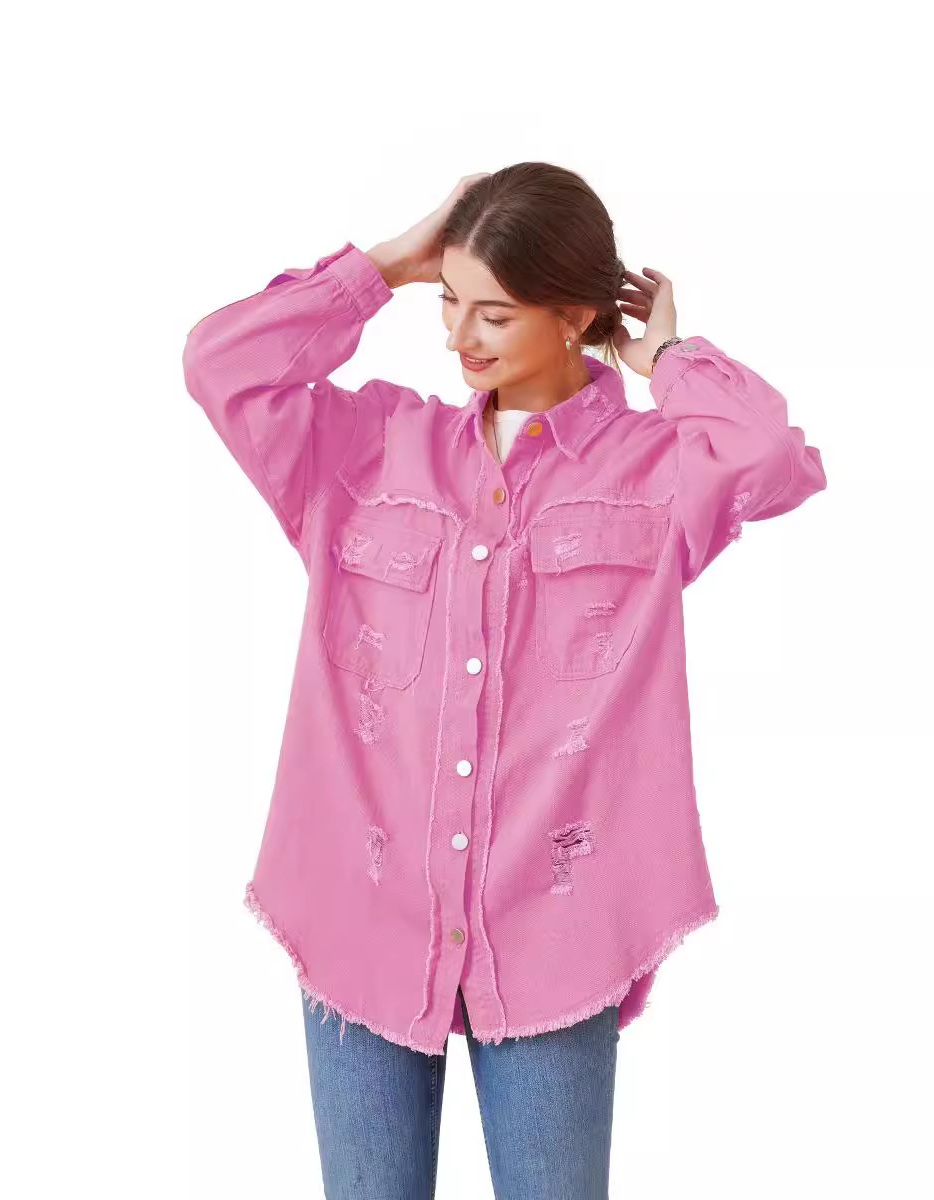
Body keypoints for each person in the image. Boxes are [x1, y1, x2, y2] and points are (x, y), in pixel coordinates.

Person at [182, 163, 827, 1199]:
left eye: (494, 313)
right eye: (448, 302)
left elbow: (772, 458)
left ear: (574, 316)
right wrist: (386, 264)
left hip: (554, 928)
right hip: (362, 912)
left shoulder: (654, 470)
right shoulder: (367, 448)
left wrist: (667, 359)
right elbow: (221, 363)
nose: (458, 337)